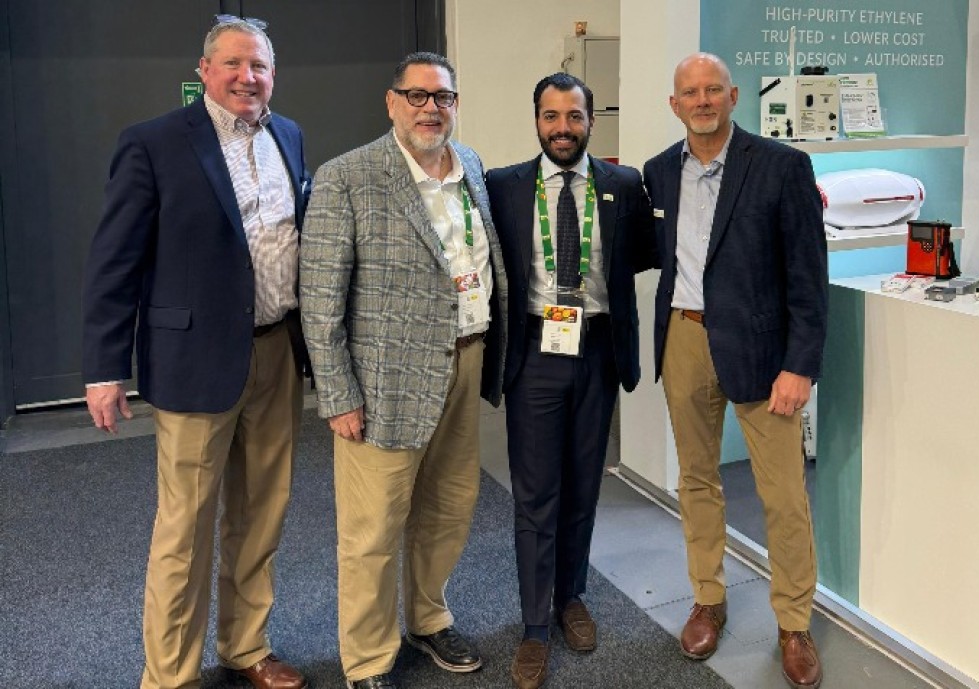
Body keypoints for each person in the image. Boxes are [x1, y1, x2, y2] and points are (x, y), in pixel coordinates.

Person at [81, 15, 310, 689]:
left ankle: (246, 645)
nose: (247, 76)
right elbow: (113, 261)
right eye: (233, 63)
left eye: (259, 65)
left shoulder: (290, 135)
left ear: (273, 74)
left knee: (261, 512)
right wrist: (104, 367)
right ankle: (170, 675)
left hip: (276, 351)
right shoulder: (153, 142)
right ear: (205, 70)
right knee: (184, 529)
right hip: (193, 359)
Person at [299, 52, 508, 689]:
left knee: (449, 506)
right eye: (417, 95)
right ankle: (367, 658)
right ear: (392, 102)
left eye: (442, 97)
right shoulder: (348, 177)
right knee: (372, 528)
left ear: (455, 104)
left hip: (465, 360)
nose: (430, 108)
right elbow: (321, 298)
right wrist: (338, 392)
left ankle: (428, 617)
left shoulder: (470, 165)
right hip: (384, 383)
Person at [642, 53, 827, 689]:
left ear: (733, 96)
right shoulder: (659, 172)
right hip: (684, 338)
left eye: (713, 89)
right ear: (674, 104)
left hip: (762, 352)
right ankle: (708, 599)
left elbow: (808, 277)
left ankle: (794, 623)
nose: (702, 101)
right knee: (695, 480)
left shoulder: (781, 166)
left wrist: (799, 365)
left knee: (783, 494)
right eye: (690, 92)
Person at [486, 73, 656, 689]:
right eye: (551, 116)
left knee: (584, 485)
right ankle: (535, 625)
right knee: (536, 493)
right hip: (535, 350)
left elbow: (644, 253)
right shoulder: (503, 186)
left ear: (590, 121)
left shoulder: (622, 185)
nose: (563, 128)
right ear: (537, 120)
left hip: (598, 349)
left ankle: (571, 597)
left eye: (574, 116)